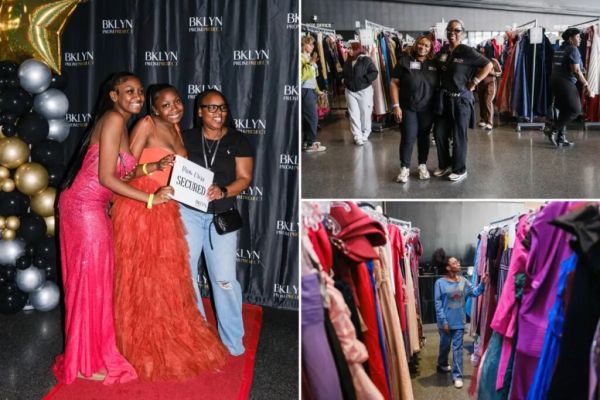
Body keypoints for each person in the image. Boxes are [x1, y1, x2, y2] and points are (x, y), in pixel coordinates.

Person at [53, 72, 171, 384]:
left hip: (92, 208)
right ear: (113, 96)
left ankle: (89, 354)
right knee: (88, 282)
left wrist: (153, 167)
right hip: (83, 208)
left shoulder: (120, 124)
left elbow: (124, 172)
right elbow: (106, 178)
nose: (137, 96)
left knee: (95, 282)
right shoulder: (114, 119)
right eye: (128, 91)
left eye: (140, 91)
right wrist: (150, 198)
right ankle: (84, 362)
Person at [111, 84, 228, 380]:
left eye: (177, 102)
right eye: (165, 105)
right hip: (142, 206)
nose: (174, 108)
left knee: (166, 279)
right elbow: (123, 171)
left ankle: (166, 337)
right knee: (145, 279)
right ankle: (141, 345)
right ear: (154, 108)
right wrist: (153, 167)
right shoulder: (146, 124)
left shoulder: (176, 128)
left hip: (166, 206)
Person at [179, 89, 254, 356]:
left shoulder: (238, 139)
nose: (218, 113)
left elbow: (244, 178)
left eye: (222, 107)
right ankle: (198, 336)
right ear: (199, 112)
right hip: (187, 212)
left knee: (224, 279)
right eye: (211, 108)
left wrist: (223, 191)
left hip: (221, 216)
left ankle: (233, 340)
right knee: (186, 276)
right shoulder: (185, 138)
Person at [433, 20, 493, 182]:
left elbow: (488, 65)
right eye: (449, 30)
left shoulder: (467, 51)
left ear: (463, 33)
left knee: (459, 135)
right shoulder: (443, 50)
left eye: (456, 30)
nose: (452, 33)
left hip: (461, 100)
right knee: (439, 133)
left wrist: (475, 82)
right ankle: (445, 164)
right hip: (444, 99)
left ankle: (460, 169)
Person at [390, 35, 439, 183]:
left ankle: (422, 165)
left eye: (426, 46)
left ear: (430, 49)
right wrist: (396, 106)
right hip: (408, 107)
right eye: (420, 44)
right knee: (408, 137)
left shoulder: (434, 64)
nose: (422, 47)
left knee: (424, 137)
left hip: (427, 109)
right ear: (416, 44)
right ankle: (404, 168)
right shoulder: (404, 61)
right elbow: (394, 83)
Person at [434, 256, 487, 389]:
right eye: (455, 262)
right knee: (445, 346)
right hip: (445, 323)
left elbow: (474, 292)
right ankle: (442, 364)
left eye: (458, 262)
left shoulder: (463, 281)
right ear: (448, 267)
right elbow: (438, 304)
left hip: (459, 322)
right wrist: (443, 322)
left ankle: (457, 376)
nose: (458, 264)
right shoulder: (440, 283)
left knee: (457, 349)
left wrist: (483, 284)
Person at [545, 27, 591, 146]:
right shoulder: (573, 49)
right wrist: (586, 84)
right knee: (575, 109)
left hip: (554, 80)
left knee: (564, 109)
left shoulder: (560, 48)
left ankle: (561, 138)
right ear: (570, 38)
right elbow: (576, 70)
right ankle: (553, 130)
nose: (580, 39)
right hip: (564, 81)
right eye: (577, 37)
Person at [342, 41, 378, 145]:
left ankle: (365, 133)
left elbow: (374, 72)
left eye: (351, 48)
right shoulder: (348, 61)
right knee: (353, 114)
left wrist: (364, 80)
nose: (349, 50)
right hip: (350, 91)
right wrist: (343, 80)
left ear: (357, 49)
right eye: (349, 48)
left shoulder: (365, 59)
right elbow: (343, 73)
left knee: (365, 113)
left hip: (364, 90)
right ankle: (357, 135)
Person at [301, 35, 327, 153]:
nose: (312, 46)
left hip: (311, 90)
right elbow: (301, 76)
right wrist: (310, 64)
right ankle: (310, 143)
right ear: (303, 45)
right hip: (305, 90)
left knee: (310, 117)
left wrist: (318, 91)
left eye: (312, 44)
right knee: (312, 117)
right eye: (309, 44)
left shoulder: (308, 57)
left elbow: (313, 78)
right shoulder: (300, 58)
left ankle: (308, 142)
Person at [477, 47, 502, 130]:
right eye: (480, 52)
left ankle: (489, 122)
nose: (482, 53)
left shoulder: (493, 61)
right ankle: (483, 119)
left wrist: (491, 72)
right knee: (481, 102)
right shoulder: (478, 60)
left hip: (490, 84)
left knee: (488, 101)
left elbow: (499, 72)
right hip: (480, 83)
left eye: (483, 52)